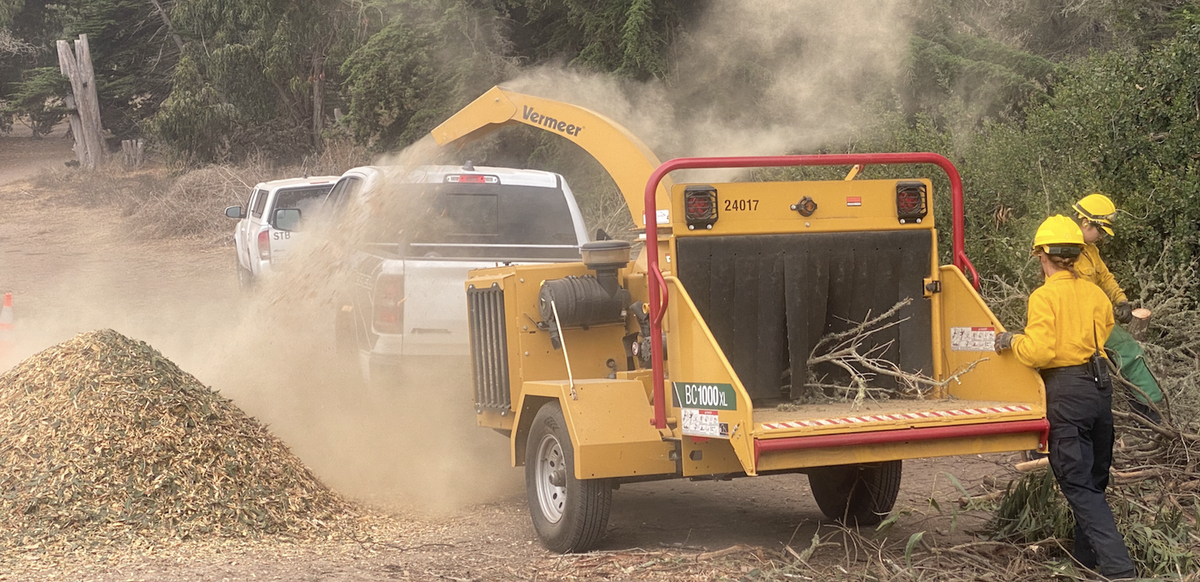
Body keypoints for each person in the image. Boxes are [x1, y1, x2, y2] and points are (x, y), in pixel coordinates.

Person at [995, 215, 1137, 580]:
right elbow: (1105, 331)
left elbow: (1039, 352)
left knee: (1077, 483)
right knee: (1093, 480)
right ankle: (1084, 561)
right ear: (1076, 255)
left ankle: (1120, 570)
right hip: (1100, 390)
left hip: (1067, 391)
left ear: (1042, 256)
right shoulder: (1094, 293)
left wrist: (1012, 341)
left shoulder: (1043, 297)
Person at [1072, 193, 1164, 423]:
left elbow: (1105, 277)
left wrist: (1121, 301)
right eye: (1101, 231)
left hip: (1092, 317)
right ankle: (1152, 415)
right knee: (1128, 352)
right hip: (1080, 321)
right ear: (1086, 223)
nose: (1102, 237)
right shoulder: (1067, 252)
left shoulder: (1088, 249)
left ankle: (1147, 411)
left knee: (1126, 351)